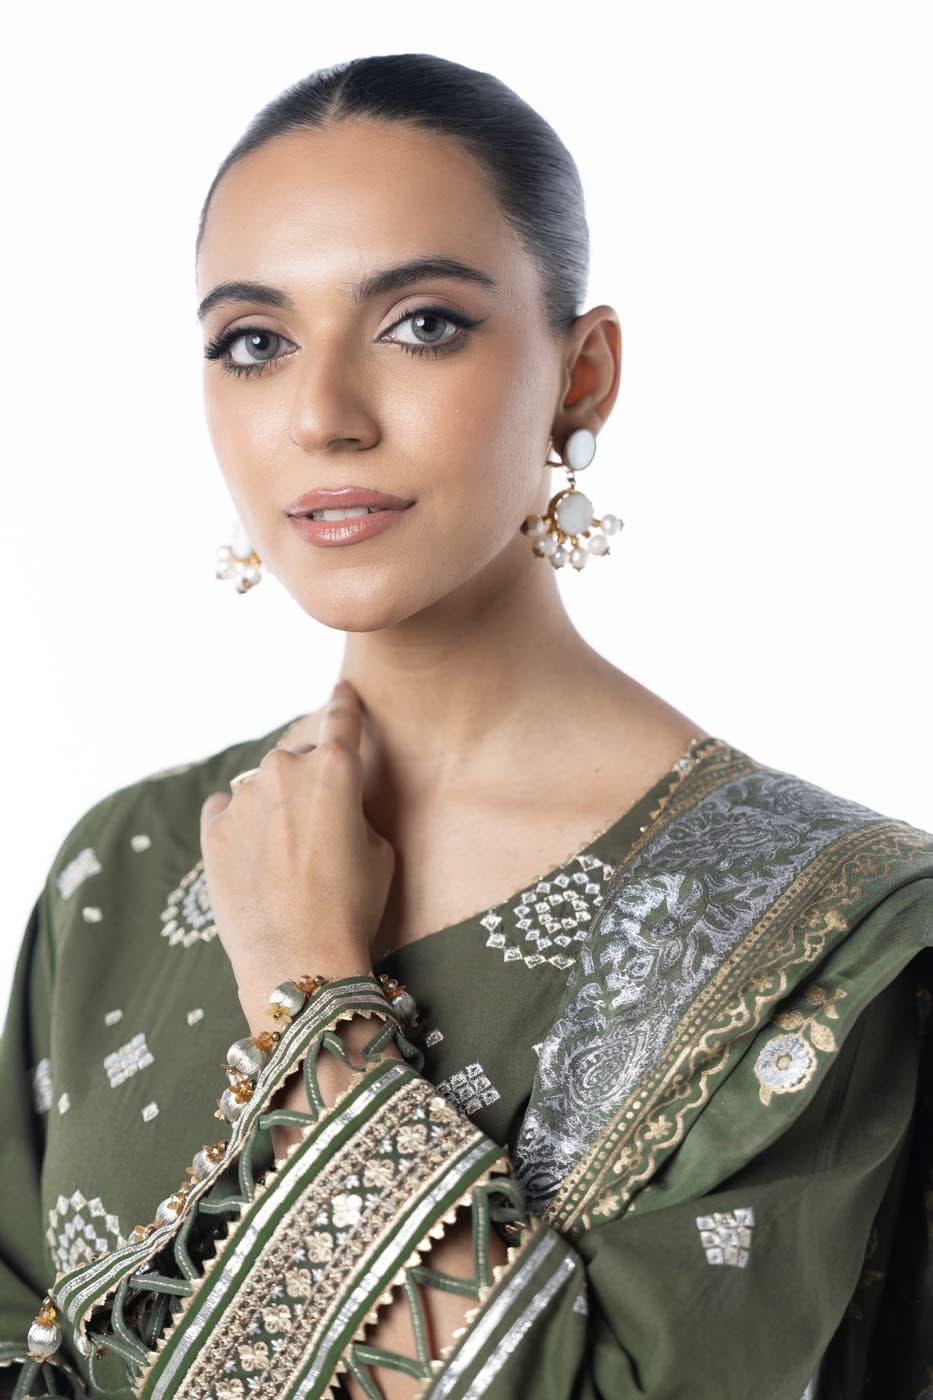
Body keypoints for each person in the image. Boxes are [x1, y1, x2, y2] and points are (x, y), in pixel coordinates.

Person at [1, 51, 931, 1400]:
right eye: (254, 343)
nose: (322, 417)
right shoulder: (132, 862)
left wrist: (312, 999)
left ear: (581, 376)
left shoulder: (817, 925)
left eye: (421, 324)